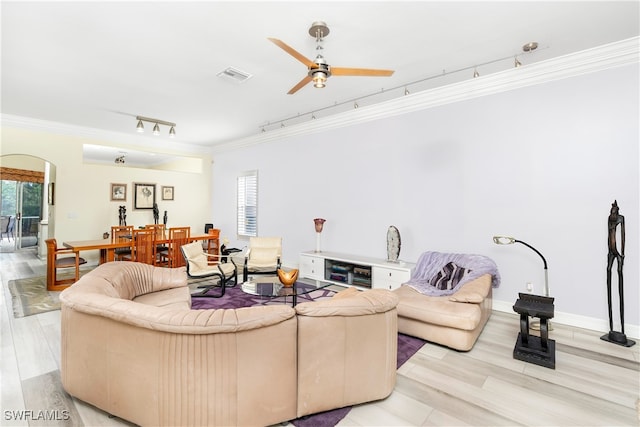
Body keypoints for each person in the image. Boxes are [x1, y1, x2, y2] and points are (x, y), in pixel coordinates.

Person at [606, 200, 625, 334]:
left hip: (618, 253)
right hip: (611, 252)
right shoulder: (610, 219)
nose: (612, 214)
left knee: (619, 274)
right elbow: (609, 235)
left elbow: (623, 236)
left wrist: (622, 252)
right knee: (608, 271)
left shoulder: (621, 219)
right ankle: (611, 326)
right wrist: (609, 250)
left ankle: (622, 327)